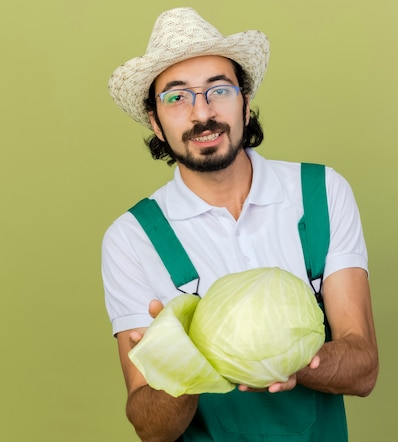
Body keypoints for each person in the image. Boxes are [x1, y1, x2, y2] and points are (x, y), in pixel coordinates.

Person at [103, 7, 378, 442]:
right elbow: (150, 427)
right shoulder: (132, 238)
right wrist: (180, 356)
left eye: (219, 90)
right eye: (177, 97)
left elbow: (363, 368)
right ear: (155, 123)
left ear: (246, 105)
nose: (202, 113)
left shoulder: (321, 193)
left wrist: (284, 357)